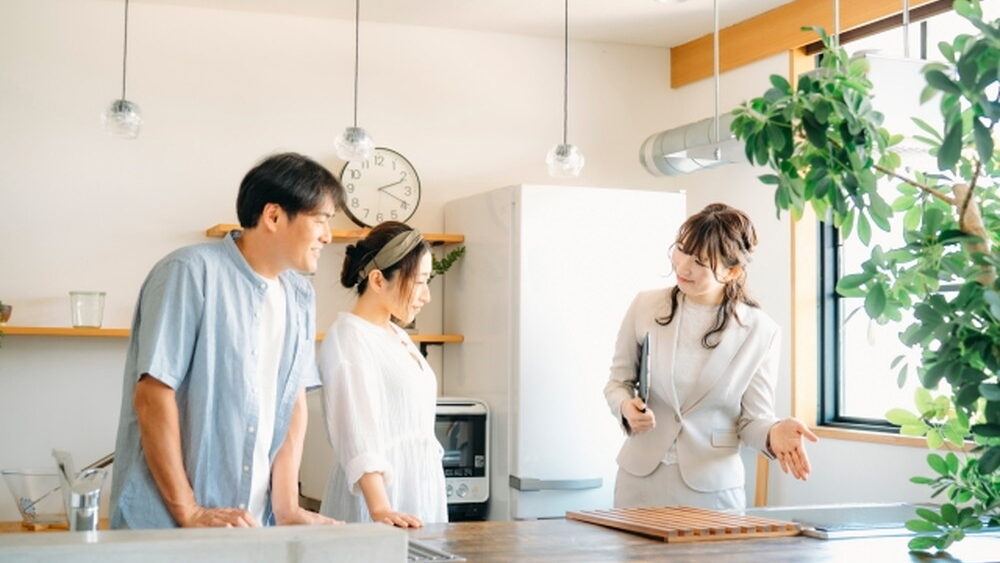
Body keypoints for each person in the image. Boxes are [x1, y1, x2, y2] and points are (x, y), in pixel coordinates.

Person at [110, 152, 345, 529]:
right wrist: (189, 510)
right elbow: (153, 396)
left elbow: (293, 400)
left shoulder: (300, 295)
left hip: (250, 524)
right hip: (165, 523)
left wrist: (286, 507)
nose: (327, 236)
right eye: (320, 220)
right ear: (273, 216)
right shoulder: (189, 272)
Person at [604, 202, 817, 511]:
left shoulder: (761, 331)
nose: (683, 267)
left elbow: (752, 420)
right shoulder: (645, 306)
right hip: (640, 481)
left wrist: (773, 432)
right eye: (682, 250)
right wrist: (625, 406)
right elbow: (617, 382)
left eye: (701, 262)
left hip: (712, 489)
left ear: (732, 271)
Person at [317, 221, 447, 527]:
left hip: (417, 495)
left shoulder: (396, 334)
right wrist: (380, 510)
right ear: (377, 280)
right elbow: (356, 432)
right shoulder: (348, 337)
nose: (426, 296)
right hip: (380, 501)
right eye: (419, 281)